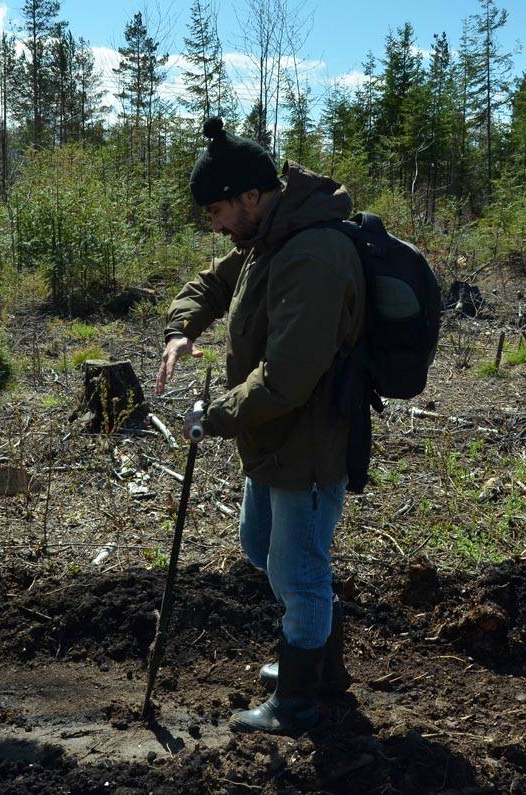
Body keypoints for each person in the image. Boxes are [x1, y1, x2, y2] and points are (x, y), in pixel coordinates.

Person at [155, 118, 365, 735]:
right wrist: (180, 331)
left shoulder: (313, 252)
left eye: (217, 210)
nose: (215, 225)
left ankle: (300, 700)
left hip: (309, 441)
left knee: (298, 571)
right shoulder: (269, 239)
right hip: (272, 439)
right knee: (261, 548)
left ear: (252, 195)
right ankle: (318, 654)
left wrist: (211, 416)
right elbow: (210, 284)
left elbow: (287, 380)